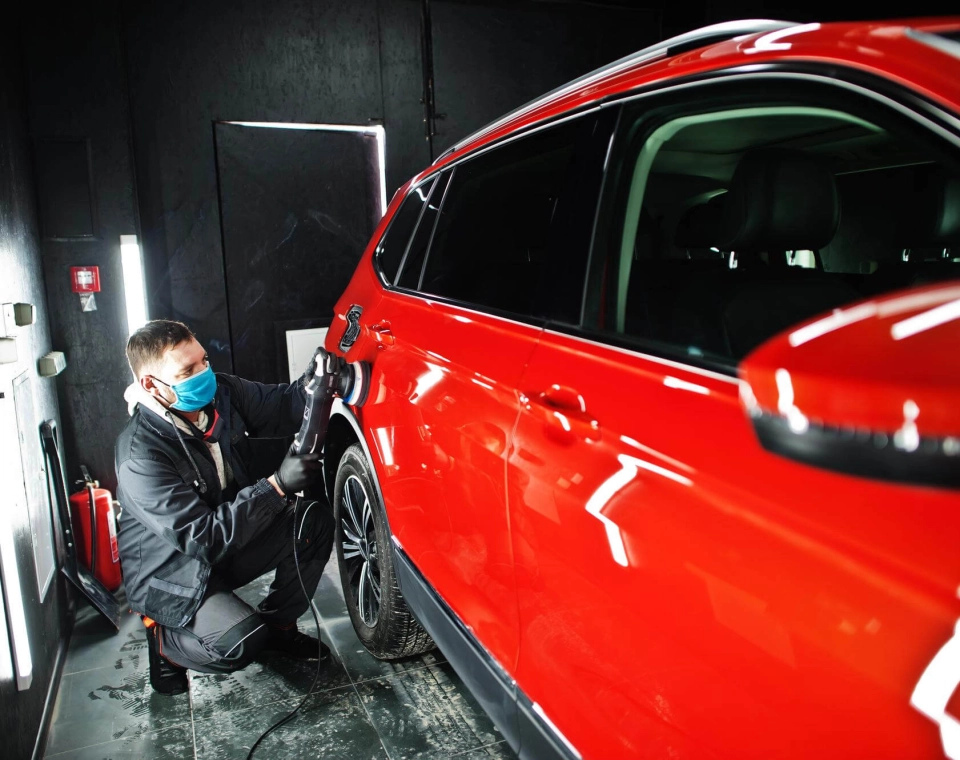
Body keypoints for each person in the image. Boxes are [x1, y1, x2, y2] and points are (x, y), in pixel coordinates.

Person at [115, 319, 334, 696]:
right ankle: (166, 643)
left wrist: (312, 381)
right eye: (188, 371)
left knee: (312, 523)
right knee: (239, 641)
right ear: (151, 384)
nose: (204, 374)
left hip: (224, 542)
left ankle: (279, 626)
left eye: (203, 361)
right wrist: (276, 486)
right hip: (172, 572)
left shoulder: (221, 394)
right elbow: (203, 538)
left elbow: (284, 405)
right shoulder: (140, 455)